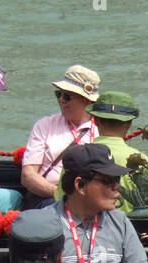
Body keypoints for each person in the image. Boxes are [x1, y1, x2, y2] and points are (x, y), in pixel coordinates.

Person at [52, 91, 148, 216]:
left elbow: (60, 199)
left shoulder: (75, 156)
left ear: (95, 121)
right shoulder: (140, 158)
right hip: (132, 227)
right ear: (129, 124)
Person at [20, 65, 101, 206]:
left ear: (87, 100)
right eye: (59, 94)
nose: (61, 100)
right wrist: (61, 194)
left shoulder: (101, 129)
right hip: (47, 198)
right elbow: (28, 176)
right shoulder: (44, 125)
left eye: (67, 96)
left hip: (89, 200)